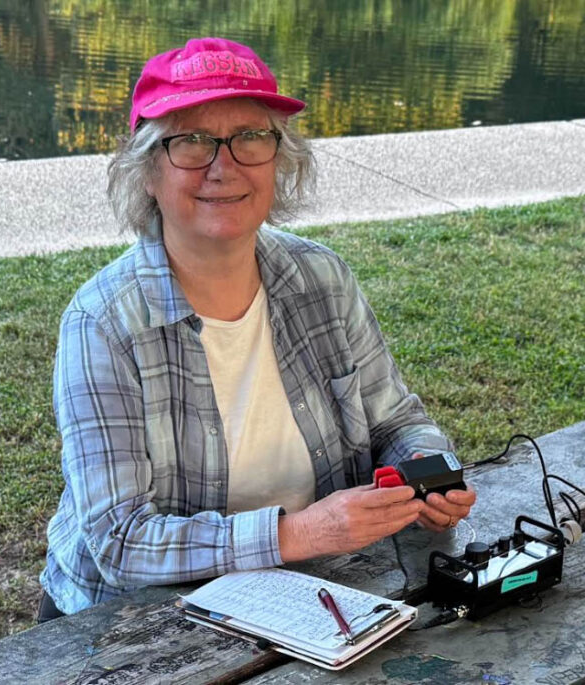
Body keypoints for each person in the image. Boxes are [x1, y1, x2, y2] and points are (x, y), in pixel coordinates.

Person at [39, 37, 476, 620]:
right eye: (191, 142)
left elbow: (397, 423)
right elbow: (119, 543)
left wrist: (430, 474)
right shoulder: (103, 323)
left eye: (250, 137)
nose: (224, 167)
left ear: (278, 158)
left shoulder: (322, 278)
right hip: (129, 625)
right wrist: (298, 533)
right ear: (146, 171)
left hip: (310, 596)